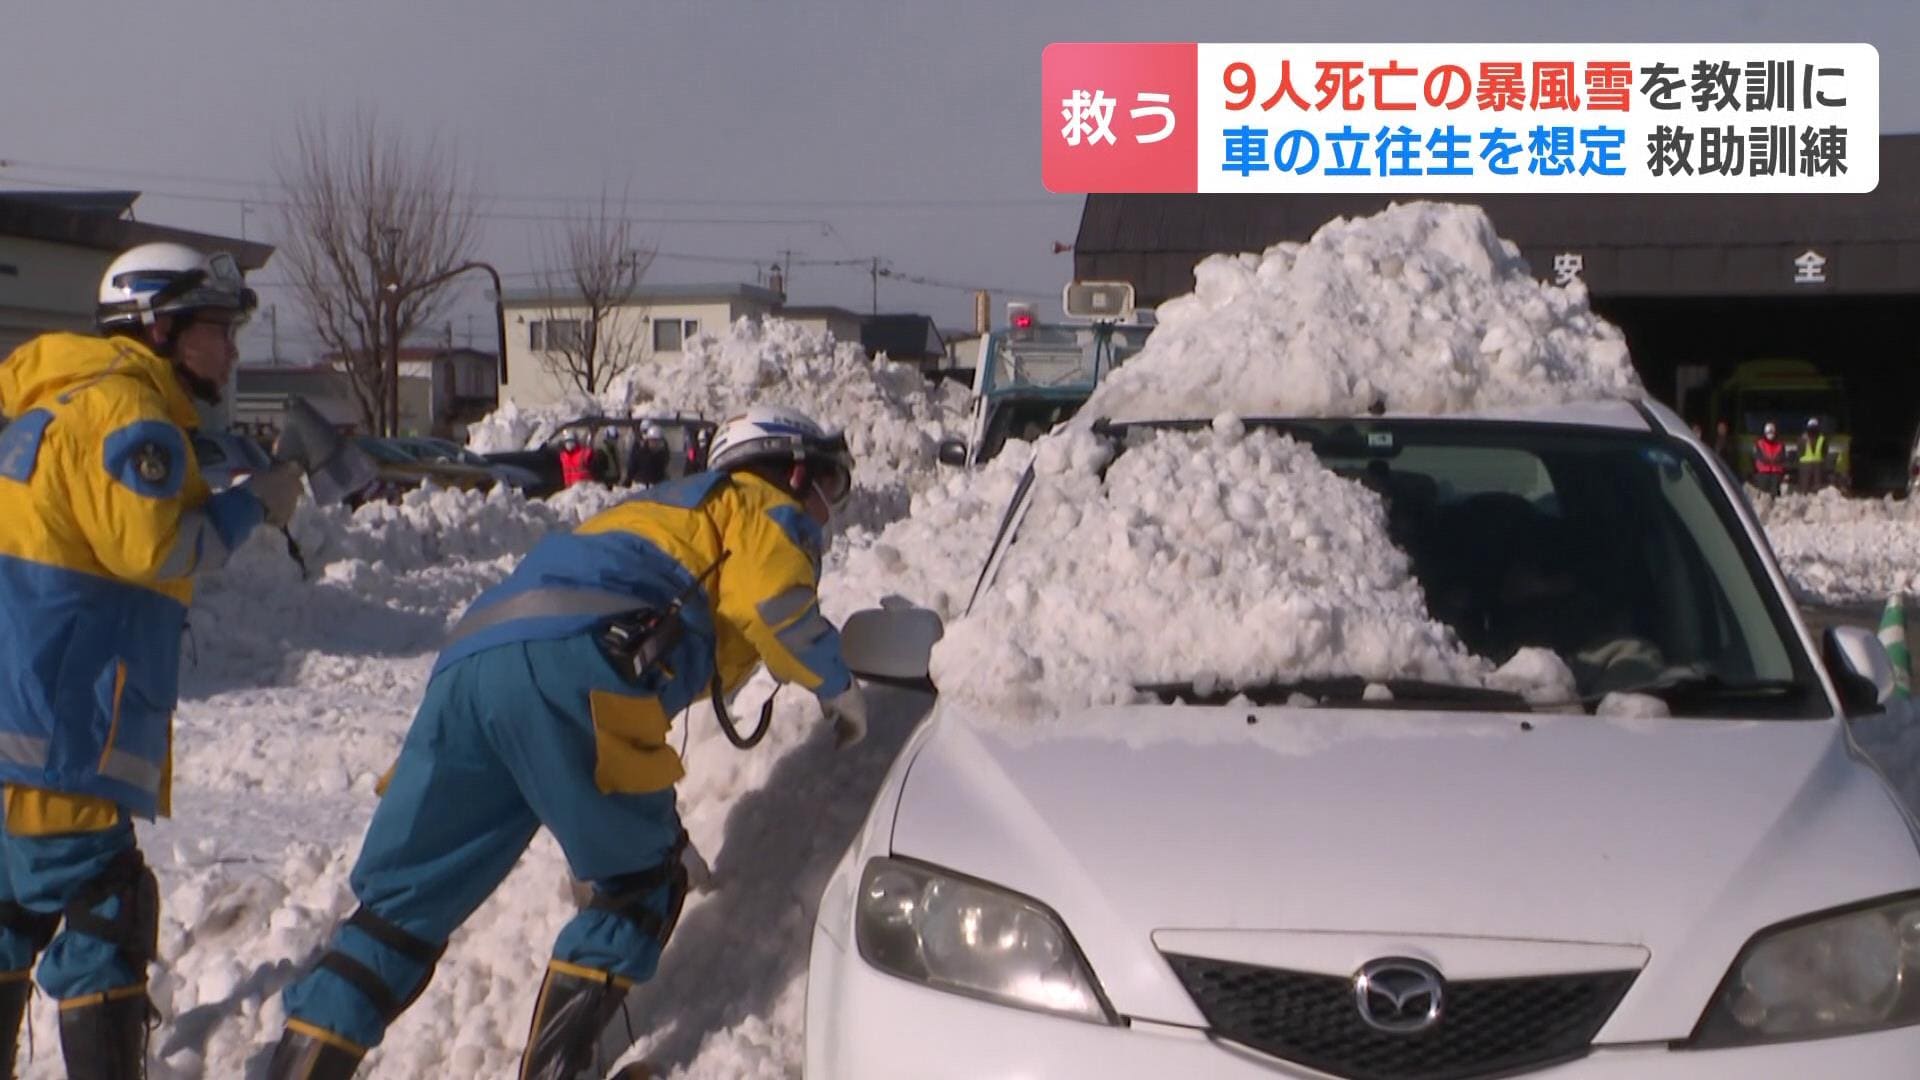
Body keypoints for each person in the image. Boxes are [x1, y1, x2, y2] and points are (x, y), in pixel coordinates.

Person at [265, 404, 869, 1079]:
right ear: (796, 471)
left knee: (399, 911)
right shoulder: (760, 503)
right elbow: (773, 602)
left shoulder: (652, 510)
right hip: (577, 666)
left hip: (467, 668)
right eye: (832, 488)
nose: (828, 512)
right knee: (640, 884)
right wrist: (837, 688)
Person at [0, 242, 303, 1076]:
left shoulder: (58, 403)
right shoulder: (131, 416)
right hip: (67, 733)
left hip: (16, 725)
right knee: (107, 910)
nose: (233, 350)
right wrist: (255, 510)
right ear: (161, 328)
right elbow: (156, 548)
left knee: (12, 910)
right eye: (217, 330)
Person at [1752, 421, 1789, 495]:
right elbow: (1758, 457)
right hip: (1763, 472)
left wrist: (1776, 462)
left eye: (1772, 433)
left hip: (1776, 472)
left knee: (1774, 493)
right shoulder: (1760, 443)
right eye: (1769, 433)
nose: (1770, 435)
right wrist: (1769, 461)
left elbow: (1782, 457)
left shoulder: (1780, 444)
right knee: (1763, 494)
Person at [1797, 417, 1830, 493]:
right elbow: (1799, 451)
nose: (1813, 429)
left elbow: (1825, 451)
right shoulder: (1802, 438)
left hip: (1817, 465)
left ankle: (1816, 502)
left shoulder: (1822, 438)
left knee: (1817, 487)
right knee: (1804, 487)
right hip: (1806, 465)